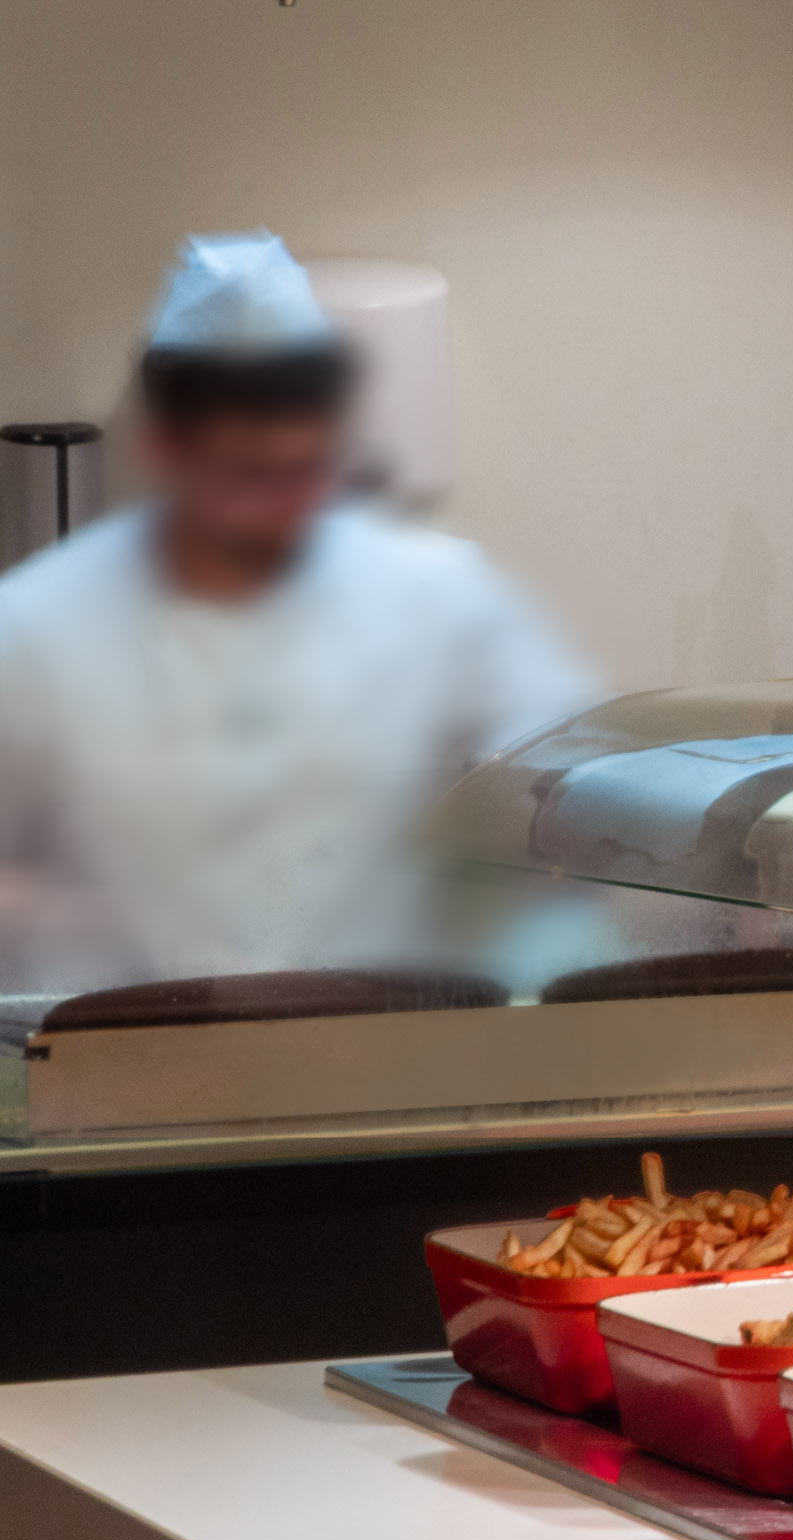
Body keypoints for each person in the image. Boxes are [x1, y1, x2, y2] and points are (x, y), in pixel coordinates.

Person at [0, 231, 591, 998]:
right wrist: (83, 914)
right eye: (250, 476)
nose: (284, 508)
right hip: (117, 1043)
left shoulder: (439, 596)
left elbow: (576, 791)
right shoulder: (42, 626)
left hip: (374, 1037)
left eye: (306, 469)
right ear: (168, 449)